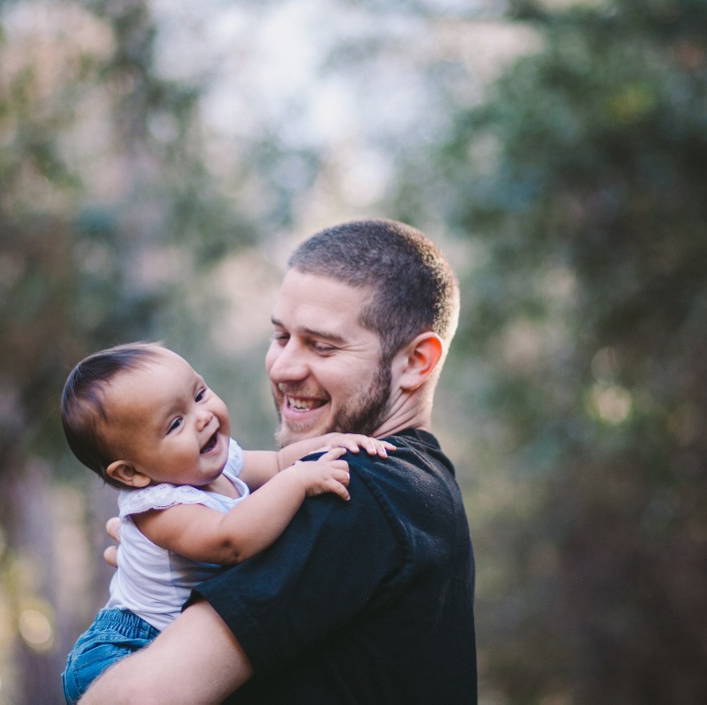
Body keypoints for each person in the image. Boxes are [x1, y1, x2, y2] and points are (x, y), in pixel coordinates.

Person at [84, 219, 477, 704]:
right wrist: (168, 566)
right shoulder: (422, 485)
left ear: (416, 362)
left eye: (322, 345)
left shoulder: (356, 489)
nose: (283, 367)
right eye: (281, 336)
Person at [59, 342, 394, 703]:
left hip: (174, 640)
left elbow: (280, 462)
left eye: (199, 394)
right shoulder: (160, 508)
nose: (203, 417)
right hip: (124, 648)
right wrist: (298, 481)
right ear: (133, 472)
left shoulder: (217, 465)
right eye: (175, 423)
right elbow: (231, 540)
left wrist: (332, 444)